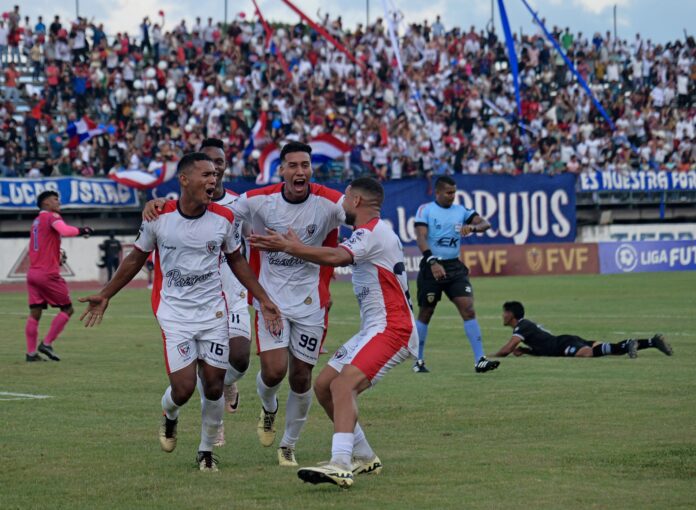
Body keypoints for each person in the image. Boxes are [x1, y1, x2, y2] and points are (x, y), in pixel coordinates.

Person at [79, 152, 282, 472]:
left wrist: (263, 297)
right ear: (184, 180)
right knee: (184, 388)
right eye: (205, 174)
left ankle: (206, 451)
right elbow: (135, 259)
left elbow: (237, 260)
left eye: (215, 175)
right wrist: (106, 294)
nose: (212, 180)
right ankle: (169, 416)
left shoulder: (224, 219)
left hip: (214, 312)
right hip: (175, 314)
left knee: (214, 383)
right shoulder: (158, 217)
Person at [250, 177, 416, 489]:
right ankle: (364, 455)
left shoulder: (372, 232)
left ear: (356, 201)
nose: (340, 204)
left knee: (343, 386)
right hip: (374, 328)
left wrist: (290, 246)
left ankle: (341, 463)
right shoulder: (375, 232)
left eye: (345, 199)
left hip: (393, 329)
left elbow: (337, 257)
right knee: (324, 386)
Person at [412, 176, 499, 374]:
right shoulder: (425, 210)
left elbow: (485, 224)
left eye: (454, 193)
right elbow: (420, 237)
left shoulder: (461, 211)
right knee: (426, 312)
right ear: (438, 192)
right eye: (448, 193)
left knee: (468, 309)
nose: (452, 196)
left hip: (454, 267)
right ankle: (418, 360)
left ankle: (480, 360)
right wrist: (432, 261)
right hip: (431, 266)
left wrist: (473, 228)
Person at [25, 191, 93, 362]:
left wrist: (55, 254)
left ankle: (31, 353)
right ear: (46, 203)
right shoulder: (51, 216)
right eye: (55, 199)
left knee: (35, 312)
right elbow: (65, 230)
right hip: (47, 273)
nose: (58, 202)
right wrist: (82, 229)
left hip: (33, 272)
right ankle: (47, 343)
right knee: (68, 309)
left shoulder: (36, 221)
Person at [493, 301, 673, 358]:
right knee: (609, 348)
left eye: (504, 313)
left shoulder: (522, 326)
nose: (502, 316)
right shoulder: (526, 326)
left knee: (587, 354)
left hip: (562, 344)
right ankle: (651, 341)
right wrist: (525, 351)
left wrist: (489, 357)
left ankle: (630, 345)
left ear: (511, 314)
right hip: (563, 341)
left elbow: (507, 349)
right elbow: (542, 347)